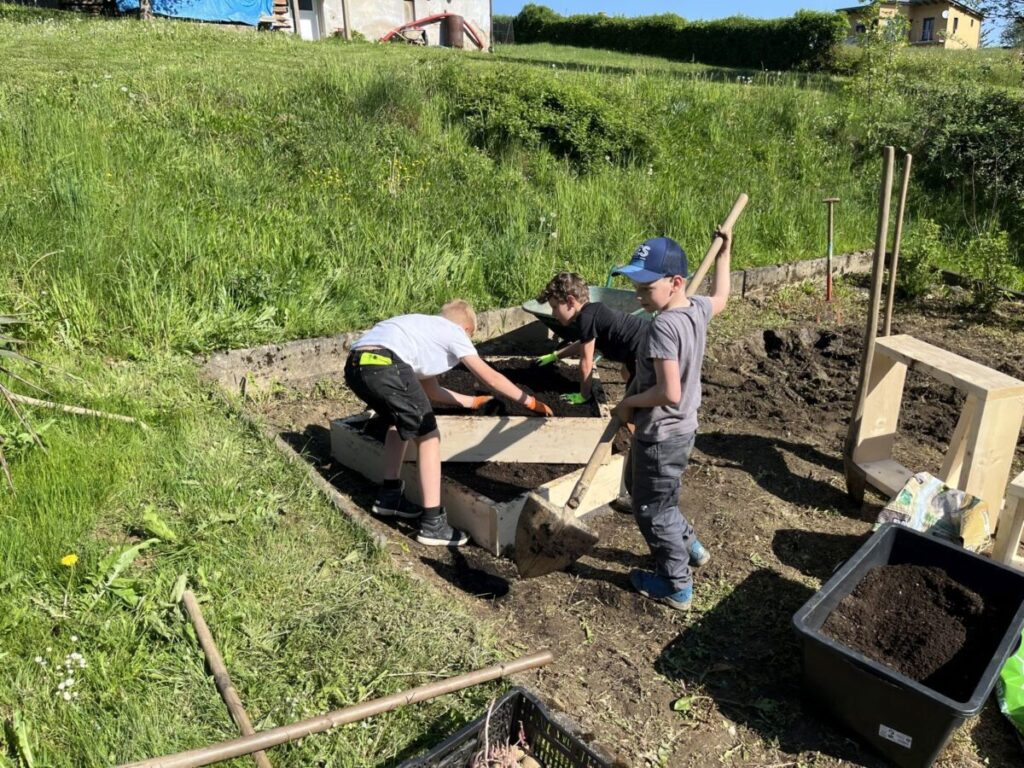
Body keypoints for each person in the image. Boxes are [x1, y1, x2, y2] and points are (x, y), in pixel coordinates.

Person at [344, 300, 554, 547]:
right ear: (467, 330)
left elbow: (432, 391)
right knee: (429, 437)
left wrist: (472, 402)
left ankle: (389, 497)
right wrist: (530, 402)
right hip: (387, 366)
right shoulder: (455, 332)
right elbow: (491, 377)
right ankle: (433, 523)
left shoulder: (423, 330)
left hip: (357, 366)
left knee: (397, 422)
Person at [610, 228, 732, 610]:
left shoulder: (663, 326)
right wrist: (724, 254)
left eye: (646, 288)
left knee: (652, 511)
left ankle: (675, 584)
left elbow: (668, 392)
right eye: (636, 287)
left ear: (675, 283)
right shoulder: (695, 308)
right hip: (682, 430)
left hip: (661, 433)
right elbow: (722, 297)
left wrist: (628, 404)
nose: (638, 296)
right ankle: (689, 544)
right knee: (649, 492)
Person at [534, 272, 649, 404]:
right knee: (626, 374)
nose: (553, 313)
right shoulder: (591, 312)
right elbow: (582, 344)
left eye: (555, 307)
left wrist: (584, 395)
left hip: (645, 350)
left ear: (570, 301)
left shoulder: (586, 318)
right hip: (641, 344)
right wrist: (555, 356)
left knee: (631, 405)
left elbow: (586, 363)